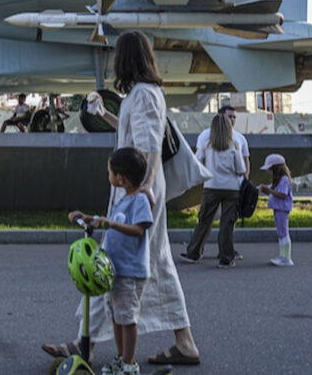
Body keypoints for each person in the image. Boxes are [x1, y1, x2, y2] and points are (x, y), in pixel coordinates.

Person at [43, 31, 201, 366]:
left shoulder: (143, 95)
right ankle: (183, 341)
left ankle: (83, 343)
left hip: (135, 191)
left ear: (125, 59)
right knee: (154, 261)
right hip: (139, 188)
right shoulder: (142, 95)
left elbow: (150, 145)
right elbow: (130, 134)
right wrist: (106, 114)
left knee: (109, 262)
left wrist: (142, 186)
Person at [68, 148, 153, 375]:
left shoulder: (140, 201)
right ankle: (121, 358)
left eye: (109, 172)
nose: (109, 176)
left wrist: (111, 224)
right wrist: (88, 219)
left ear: (120, 178)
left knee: (128, 318)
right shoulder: (123, 200)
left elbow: (139, 229)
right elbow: (107, 222)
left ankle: (129, 363)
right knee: (116, 316)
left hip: (131, 272)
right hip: (115, 271)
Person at [180, 113, 247, 267]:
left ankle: (193, 253)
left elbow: (197, 162)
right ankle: (225, 258)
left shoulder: (207, 145)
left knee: (204, 221)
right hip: (231, 189)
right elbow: (241, 169)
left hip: (211, 187)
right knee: (227, 224)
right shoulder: (234, 146)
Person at [259, 153, 294, 266]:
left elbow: (282, 195)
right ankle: (283, 256)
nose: (269, 171)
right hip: (279, 208)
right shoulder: (280, 179)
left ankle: (286, 258)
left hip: (282, 208)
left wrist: (269, 191)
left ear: (276, 168)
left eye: (270, 168)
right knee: (281, 232)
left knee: (283, 232)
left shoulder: (283, 179)